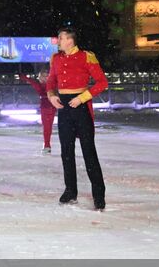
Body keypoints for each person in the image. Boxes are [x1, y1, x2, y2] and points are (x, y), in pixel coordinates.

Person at [46, 27, 108, 210]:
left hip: (80, 105)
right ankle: (70, 191)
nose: (58, 41)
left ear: (70, 41)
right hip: (63, 106)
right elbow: (51, 81)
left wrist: (82, 97)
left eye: (61, 38)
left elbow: (102, 82)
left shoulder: (85, 57)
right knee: (66, 151)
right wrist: (51, 96)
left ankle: (99, 195)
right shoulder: (56, 59)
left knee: (89, 152)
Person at [20, 66, 56, 154]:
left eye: (46, 75)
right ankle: (47, 145)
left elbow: (31, 81)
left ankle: (47, 145)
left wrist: (23, 76)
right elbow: (31, 81)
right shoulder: (49, 84)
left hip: (51, 106)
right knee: (47, 127)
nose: (45, 77)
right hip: (49, 106)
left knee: (48, 127)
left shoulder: (50, 84)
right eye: (43, 76)